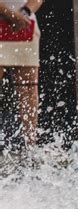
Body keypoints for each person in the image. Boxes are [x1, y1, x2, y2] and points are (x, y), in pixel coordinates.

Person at [0, 0, 43, 148]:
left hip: (24, 25)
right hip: (7, 19)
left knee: (29, 88)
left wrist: (24, 13)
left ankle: (30, 142)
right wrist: (10, 14)